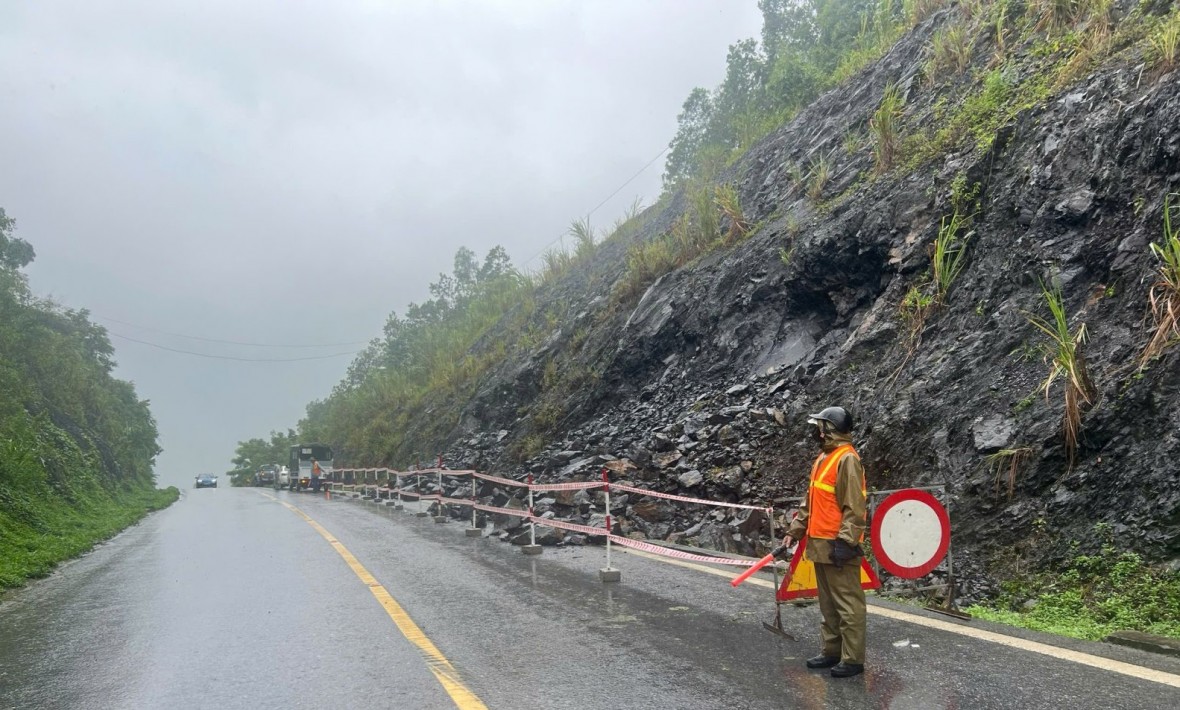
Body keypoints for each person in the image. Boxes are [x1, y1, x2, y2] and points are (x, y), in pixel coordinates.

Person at [782, 406, 868, 678]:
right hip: (820, 543)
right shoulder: (824, 458)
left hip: (838, 545)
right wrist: (796, 530)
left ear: (829, 429)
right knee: (829, 604)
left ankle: (852, 660)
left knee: (848, 604)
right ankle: (831, 652)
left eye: (820, 427)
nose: (816, 432)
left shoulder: (847, 459)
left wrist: (846, 541)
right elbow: (810, 501)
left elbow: (854, 506)